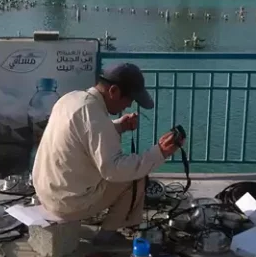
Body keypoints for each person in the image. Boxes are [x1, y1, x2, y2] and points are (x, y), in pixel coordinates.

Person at [32, 63, 184, 244]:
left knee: (132, 172)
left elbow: (86, 134)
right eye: (130, 99)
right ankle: (107, 237)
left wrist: (120, 126)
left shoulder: (72, 98)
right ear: (113, 91)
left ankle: (117, 226)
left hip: (46, 191)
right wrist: (159, 153)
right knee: (136, 178)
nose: (128, 105)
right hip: (65, 202)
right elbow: (113, 170)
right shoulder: (93, 113)